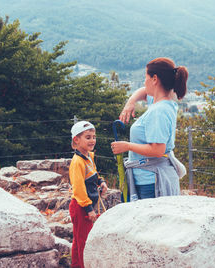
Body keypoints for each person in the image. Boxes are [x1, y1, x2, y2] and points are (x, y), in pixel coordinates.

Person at [111, 57, 188, 200]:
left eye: (145, 77)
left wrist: (127, 146)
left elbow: (157, 150)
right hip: (151, 178)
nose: (143, 81)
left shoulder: (158, 111)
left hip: (152, 183)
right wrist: (131, 102)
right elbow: (143, 92)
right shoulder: (162, 102)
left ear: (154, 79)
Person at [69, 120, 108, 268]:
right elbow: (78, 189)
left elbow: (94, 173)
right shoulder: (77, 162)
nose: (92, 140)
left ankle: (76, 265)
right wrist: (89, 209)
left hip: (85, 205)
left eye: (93, 137)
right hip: (80, 207)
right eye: (88, 137)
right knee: (84, 242)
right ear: (76, 140)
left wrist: (101, 181)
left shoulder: (89, 156)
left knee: (78, 240)